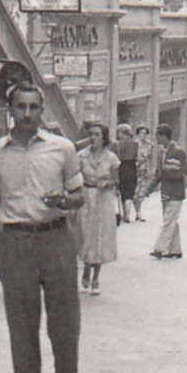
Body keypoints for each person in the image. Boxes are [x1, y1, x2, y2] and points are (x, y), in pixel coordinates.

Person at [0, 85, 89, 373]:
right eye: (20, 107)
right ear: (9, 110)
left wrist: (64, 201)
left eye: (33, 107)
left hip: (55, 238)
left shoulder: (62, 149)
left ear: (42, 110)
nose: (27, 114)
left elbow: (79, 196)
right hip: (15, 242)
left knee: (65, 329)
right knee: (22, 329)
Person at [78, 120, 120, 295]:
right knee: (86, 235)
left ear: (104, 138)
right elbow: (74, 177)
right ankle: (86, 268)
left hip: (103, 200)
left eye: (97, 135)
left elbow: (116, 180)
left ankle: (96, 277)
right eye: (91, 134)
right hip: (86, 198)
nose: (93, 138)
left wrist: (107, 183)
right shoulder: (81, 156)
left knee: (100, 238)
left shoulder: (111, 158)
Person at [148, 123, 187, 260]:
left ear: (163, 136)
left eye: (157, 136)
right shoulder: (161, 153)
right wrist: (148, 189)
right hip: (166, 192)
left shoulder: (178, 151)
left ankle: (159, 248)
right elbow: (158, 173)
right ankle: (175, 249)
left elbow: (184, 171)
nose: (156, 139)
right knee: (172, 221)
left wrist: (168, 171)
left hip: (175, 192)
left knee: (168, 221)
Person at [114, 121, 140, 224]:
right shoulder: (135, 143)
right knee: (130, 192)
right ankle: (127, 215)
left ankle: (124, 213)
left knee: (122, 191)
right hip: (132, 167)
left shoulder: (118, 144)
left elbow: (116, 157)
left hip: (121, 166)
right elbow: (138, 157)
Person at [131, 124, 154, 221]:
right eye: (141, 133)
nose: (143, 135)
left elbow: (150, 158)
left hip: (144, 170)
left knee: (141, 192)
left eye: (145, 133)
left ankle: (138, 212)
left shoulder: (149, 145)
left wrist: (151, 169)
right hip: (134, 169)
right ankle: (133, 211)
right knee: (134, 191)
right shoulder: (134, 144)